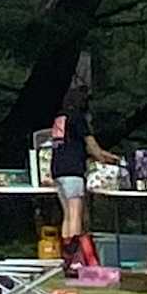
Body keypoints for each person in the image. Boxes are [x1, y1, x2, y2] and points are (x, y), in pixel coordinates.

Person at [47, 66, 101, 273]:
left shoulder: (59, 118)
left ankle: (66, 257)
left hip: (58, 169)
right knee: (76, 214)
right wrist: (108, 158)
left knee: (66, 216)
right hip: (72, 171)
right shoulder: (78, 118)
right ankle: (75, 259)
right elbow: (93, 147)